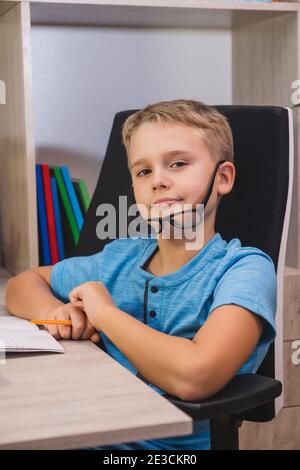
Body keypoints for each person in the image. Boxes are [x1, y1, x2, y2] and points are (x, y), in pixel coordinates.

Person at [5, 99, 277, 450]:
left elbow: (196, 376)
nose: (159, 181)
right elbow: (24, 283)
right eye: (143, 171)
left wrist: (104, 314)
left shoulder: (244, 269)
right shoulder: (120, 258)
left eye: (178, 164)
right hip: (84, 432)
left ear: (222, 178)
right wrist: (53, 313)